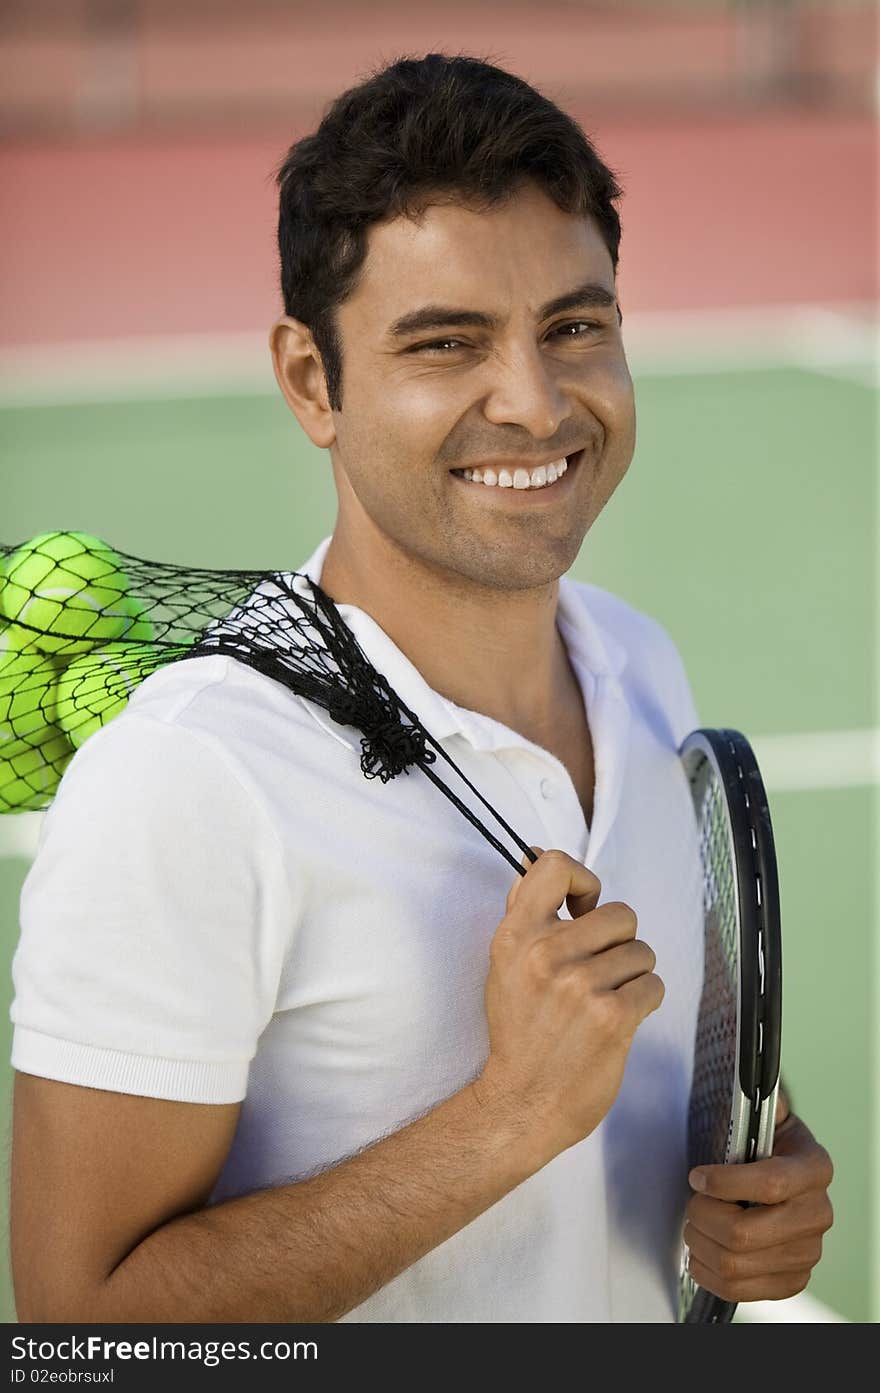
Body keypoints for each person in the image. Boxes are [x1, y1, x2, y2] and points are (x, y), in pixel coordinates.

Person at [10, 53, 833, 1324]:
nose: (537, 400)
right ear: (309, 381)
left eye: (575, 326)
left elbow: (663, 1089)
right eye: (446, 344)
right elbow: (88, 1327)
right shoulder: (186, 777)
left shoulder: (637, 660)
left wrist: (755, 1184)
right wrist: (506, 1120)